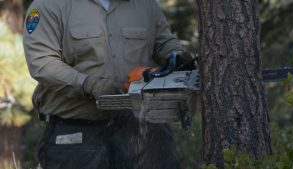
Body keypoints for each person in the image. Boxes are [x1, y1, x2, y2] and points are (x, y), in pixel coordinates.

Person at [23, 0, 193, 168]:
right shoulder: (50, 5)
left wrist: (176, 57)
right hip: (76, 133)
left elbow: (163, 42)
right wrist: (88, 85)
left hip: (143, 128)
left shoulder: (145, 4)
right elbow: (42, 63)